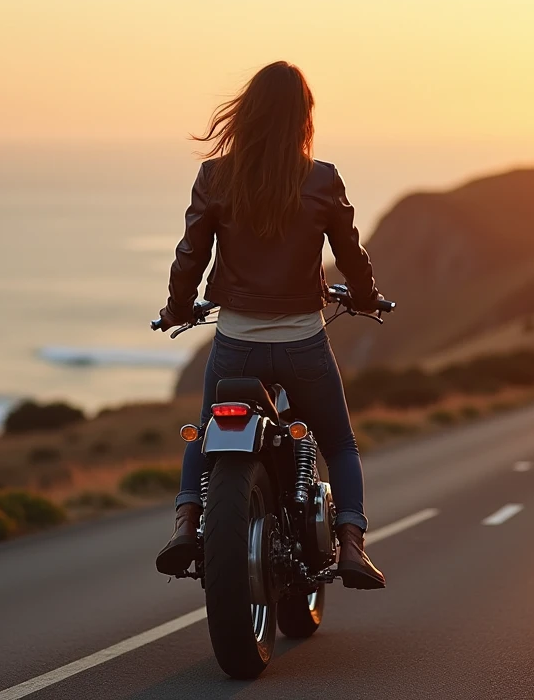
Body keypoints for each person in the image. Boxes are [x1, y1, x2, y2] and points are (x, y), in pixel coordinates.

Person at [153, 61, 386, 589]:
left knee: (207, 430)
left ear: (248, 113)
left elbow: (190, 254)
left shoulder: (216, 176)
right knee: (340, 445)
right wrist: (368, 297)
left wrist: (177, 307)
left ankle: (187, 523)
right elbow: (350, 255)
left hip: (236, 343)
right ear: (303, 117)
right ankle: (350, 544)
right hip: (303, 342)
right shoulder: (322, 178)